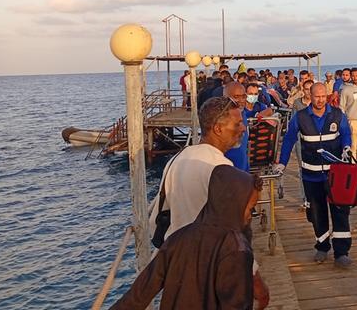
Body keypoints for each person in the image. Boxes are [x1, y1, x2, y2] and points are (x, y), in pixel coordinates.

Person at [148, 97, 268, 301]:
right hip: (211, 271)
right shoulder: (221, 170)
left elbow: (156, 217)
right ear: (218, 128)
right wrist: (256, 283)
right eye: (237, 124)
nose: (243, 129)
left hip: (178, 268)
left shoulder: (177, 160)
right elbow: (234, 232)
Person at [110, 167, 268, 310]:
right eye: (249, 208)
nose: (250, 216)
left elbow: (140, 292)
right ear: (234, 205)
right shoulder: (237, 250)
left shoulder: (177, 238)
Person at [274, 83, 355, 268]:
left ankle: (342, 252)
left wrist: (347, 147)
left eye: (322, 96)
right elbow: (288, 140)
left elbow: (346, 134)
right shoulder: (300, 117)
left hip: (335, 175)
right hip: (311, 176)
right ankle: (322, 246)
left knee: (340, 212)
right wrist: (282, 163)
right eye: (316, 96)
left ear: (327, 95)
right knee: (317, 214)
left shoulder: (337, 115)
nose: (319, 100)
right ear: (309, 96)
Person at [223, 82, 251, 172]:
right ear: (225, 98)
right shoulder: (222, 119)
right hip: (228, 171)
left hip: (243, 170)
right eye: (236, 97)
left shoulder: (242, 113)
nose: (241, 100)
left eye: (243, 96)